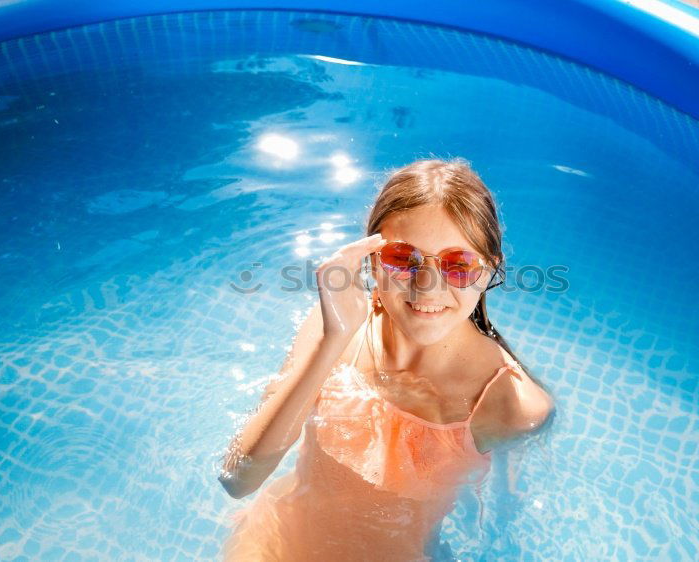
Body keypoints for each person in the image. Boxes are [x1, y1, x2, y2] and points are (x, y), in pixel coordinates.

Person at [218, 157, 555, 561]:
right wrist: (333, 339)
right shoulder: (337, 330)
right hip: (273, 542)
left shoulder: (512, 406)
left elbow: (504, 514)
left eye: (458, 264)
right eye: (402, 258)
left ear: (488, 271)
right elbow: (237, 479)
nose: (428, 287)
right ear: (372, 260)